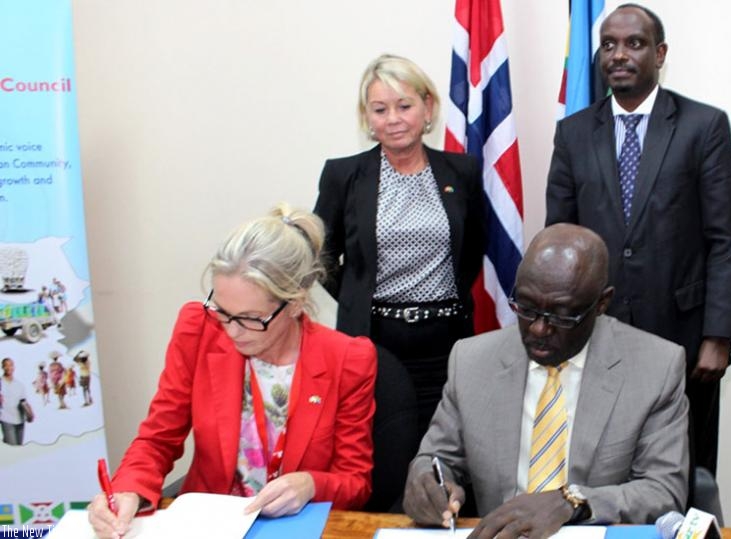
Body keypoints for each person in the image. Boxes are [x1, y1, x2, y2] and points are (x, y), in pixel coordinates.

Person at [88, 205, 377, 539]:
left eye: (251, 318)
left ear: (295, 303)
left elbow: (356, 481)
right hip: (209, 526)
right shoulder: (198, 329)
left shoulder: (347, 358)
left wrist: (311, 484)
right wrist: (128, 491)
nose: (232, 330)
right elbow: (158, 439)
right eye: (223, 311)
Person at [545, 3, 731, 476]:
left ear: (659, 53)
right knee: (603, 467)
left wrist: (718, 336)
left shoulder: (703, 126)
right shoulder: (573, 134)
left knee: (687, 469)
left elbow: (726, 242)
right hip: (596, 335)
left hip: (684, 335)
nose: (619, 54)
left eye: (633, 43)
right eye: (609, 45)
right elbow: (559, 238)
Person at [403, 224, 688, 538]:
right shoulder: (472, 361)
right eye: (526, 308)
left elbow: (663, 491)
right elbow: (437, 459)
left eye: (562, 315)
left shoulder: (655, 367)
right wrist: (426, 479)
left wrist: (572, 502)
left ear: (602, 304)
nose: (538, 329)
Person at [313, 54, 485, 440]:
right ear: (367, 119)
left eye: (404, 105)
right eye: (380, 109)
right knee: (382, 448)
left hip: (446, 339)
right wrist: (356, 296)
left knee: (444, 444)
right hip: (375, 339)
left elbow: (473, 247)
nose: (393, 118)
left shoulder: (463, 171)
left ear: (429, 107)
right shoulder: (344, 175)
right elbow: (320, 254)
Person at [1, 357, 31, 445]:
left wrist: (30, 413)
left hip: (20, 419)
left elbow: (24, 401)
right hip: (6, 419)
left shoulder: (19, 385)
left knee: (18, 447)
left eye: (11, 365)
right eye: (6, 365)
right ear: (2, 367)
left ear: (14, 367)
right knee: (12, 445)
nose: (8, 367)